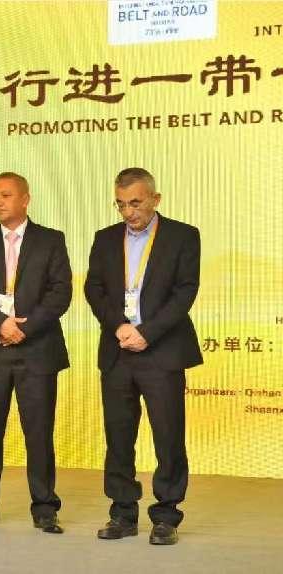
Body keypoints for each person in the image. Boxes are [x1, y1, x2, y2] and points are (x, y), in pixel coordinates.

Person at [85, 167, 201, 545]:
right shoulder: (105, 238)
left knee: (168, 436)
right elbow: (94, 288)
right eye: (120, 204)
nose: (128, 212)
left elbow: (184, 292)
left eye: (135, 203)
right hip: (118, 350)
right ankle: (122, 512)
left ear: (155, 199)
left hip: (162, 351)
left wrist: (146, 332)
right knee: (119, 436)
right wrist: (118, 325)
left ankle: (166, 515)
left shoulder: (183, 236)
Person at [0, 172, 71, 534]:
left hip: (37, 350)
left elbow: (61, 292)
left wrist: (24, 328)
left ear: (25, 199)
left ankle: (45, 508)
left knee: (39, 432)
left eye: (5, 195)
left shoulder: (51, 240)